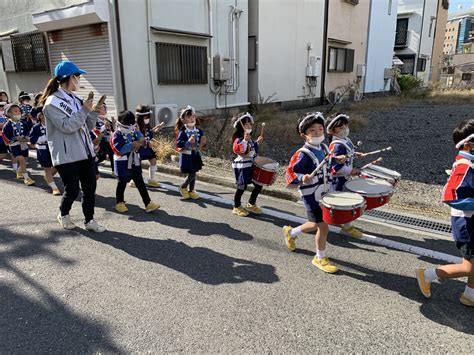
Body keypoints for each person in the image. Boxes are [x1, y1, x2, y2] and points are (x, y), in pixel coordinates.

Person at [40, 60, 106, 232]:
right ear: (67, 77)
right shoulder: (52, 102)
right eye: (76, 76)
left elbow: (86, 125)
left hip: (85, 151)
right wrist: (84, 111)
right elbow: (67, 126)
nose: (79, 79)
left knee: (90, 188)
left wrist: (93, 113)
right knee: (73, 190)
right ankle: (63, 214)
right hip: (66, 154)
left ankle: (89, 220)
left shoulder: (76, 99)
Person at [416, 119, 474, 307]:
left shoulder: (467, 162)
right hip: (466, 223)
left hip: (469, 219)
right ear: (467, 144)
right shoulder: (465, 166)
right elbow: (450, 194)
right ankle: (428, 275)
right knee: (468, 266)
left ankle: (470, 294)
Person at [283, 112, 338, 274]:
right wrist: (302, 177)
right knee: (323, 226)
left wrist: (338, 160)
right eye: (312, 131)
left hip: (326, 193)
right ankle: (319, 257)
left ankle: (291, 232)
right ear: (304, 135)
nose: (318, 133)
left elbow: (330, 163)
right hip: (312, 196)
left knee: (315, 224)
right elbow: (291, 173)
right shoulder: (303, 154)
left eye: (320, 129)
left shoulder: (325, 147)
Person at [110, 110, 160, 213]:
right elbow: (119, 151)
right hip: (122, 163)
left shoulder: (133, 132)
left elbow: (141, 140)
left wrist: (142, 138)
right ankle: (119, 203)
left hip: (134, 162)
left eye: (132, 125)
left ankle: (148, 203)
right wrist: (133, 145)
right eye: (128, 125)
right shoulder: (116, 135)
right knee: (122, 183)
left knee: (140, 182)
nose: (130, 127)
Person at [327, 113, 363, 238]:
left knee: (342, 202)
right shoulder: (336, 145)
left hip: (344, 178)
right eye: (341, 127)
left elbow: (348, 153)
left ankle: (340, 222)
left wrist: (355, 154)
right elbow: (335, 168)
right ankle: (347, 227)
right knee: (344, 203)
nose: (345, 129)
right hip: (337, 179)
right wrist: (352, 170)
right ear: (332, 130)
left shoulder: (345, 140)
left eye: (345, 126)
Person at [231, 112, 264, 217]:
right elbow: (238, 150)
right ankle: (236, 206)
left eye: (250, 124)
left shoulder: (249, 139)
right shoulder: (238, 139)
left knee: (258, 185)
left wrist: (257, 143)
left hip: (251, 165)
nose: (249, 126)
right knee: (241, 187)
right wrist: (245, 140)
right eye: (246, 125)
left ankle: (251, 203)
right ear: (240, 127)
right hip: (242, 166)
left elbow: (253, 151)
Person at [175, 105, 206, 200]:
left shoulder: (199, 131)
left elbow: (202, 144)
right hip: (187, 155)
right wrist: (188, 142)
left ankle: (191, 190)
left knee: (194, 172)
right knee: (192, 174)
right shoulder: (183, 131)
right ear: (183, 120)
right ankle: (183, 187)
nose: (192, 119)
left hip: (195, 155)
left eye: (193, 116)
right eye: (188, 117)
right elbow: (179, 143)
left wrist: (203, 143)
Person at [29, 106, 61, 195]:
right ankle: (54, 187)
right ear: (39, 116)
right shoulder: (36, 127)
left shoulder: (54, 125)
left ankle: (48, 177)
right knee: (47, 168)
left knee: (58, 166)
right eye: (43, 114)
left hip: (55, 148)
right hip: (43, 150)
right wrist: (44, 138)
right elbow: (32, 139)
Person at [2, 103, 35, 185]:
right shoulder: (7, 125)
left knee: (25, 159)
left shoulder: (23, 122)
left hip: (23, 143)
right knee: (22, 160)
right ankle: (27, 178)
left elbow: (28, 131)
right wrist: (14, 138)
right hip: (14, 145)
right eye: (15, 111)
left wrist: (26, 138)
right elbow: (5, 135)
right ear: (9, 114)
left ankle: (19, 172)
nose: (18, 113)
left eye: (19, 111)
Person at [134, 104, 162, 188]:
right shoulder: (135, 126)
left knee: (153, 160)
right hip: (138, 148)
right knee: (136, 164)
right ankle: (134, 180)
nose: (147, 119)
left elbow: (149, 134)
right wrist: (143, 142)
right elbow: (135, 138)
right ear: (140, 117)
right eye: (146, 117)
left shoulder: (147, 125)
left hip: (147, 147)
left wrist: (155, 132)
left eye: (148, 117)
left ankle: (151, 180)